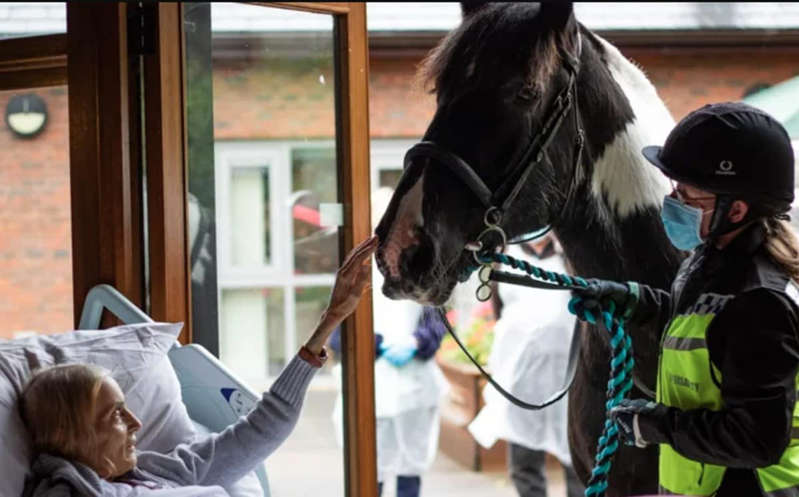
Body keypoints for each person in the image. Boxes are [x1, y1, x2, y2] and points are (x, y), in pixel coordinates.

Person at [19, 235, 378, 497]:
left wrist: (330, 320)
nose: (137, 423)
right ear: (71, 435)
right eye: (115, 415)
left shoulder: (156, 469)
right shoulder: (63, 491)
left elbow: (261, 430)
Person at [570, 102, 799, 496]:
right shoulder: (710, 262)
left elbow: (756, 440)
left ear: (736, 209)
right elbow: (704, 331)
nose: (672, 202)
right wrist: (633, 301)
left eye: (688, 195)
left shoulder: (760, 302)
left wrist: (657, 425)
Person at [330, 187, 449, 497]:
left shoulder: (424, 268)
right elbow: (339, 333)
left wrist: (415, 343)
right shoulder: (357, 270)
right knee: (372, 467)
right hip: (372, 385)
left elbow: (438, 323)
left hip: (415, 385)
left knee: (411, 464)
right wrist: (378, 345)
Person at [468, 234, 584, 497]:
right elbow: (499, 310)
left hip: (567, 375)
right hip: (520, 377)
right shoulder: (505, 256)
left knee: (575, 455)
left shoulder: (569, 255)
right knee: (523, 458)